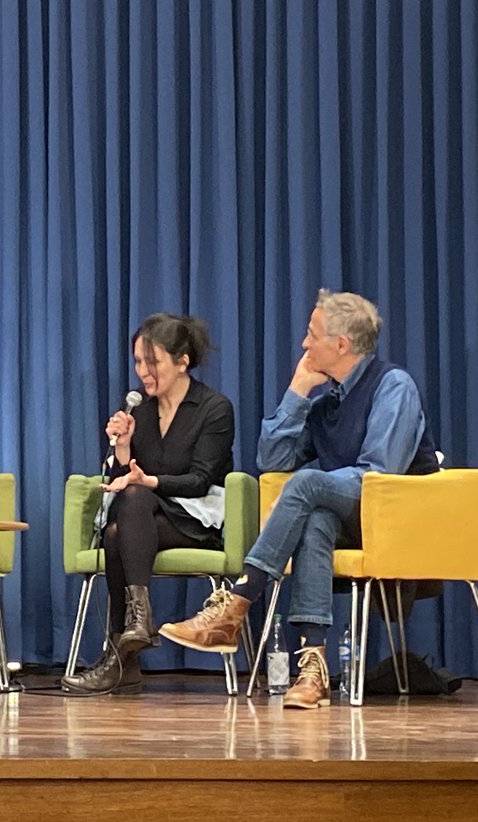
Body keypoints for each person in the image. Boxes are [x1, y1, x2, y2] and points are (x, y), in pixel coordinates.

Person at [160, 290, 439, 709]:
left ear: (340, 345)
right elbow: (270, 460)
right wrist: (296, 390)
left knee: (309, 484)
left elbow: (380, 472)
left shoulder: (393, 386)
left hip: (400, 519)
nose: (305, 344)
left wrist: (309, 486)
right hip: (350, 516)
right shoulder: (328, 403)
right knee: (315, 519)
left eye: (312, 335)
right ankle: (313, 668)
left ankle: (237, 601)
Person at [60, 314, 235, 695]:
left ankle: (119, 656)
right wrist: (122, 450)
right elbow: (124, 480)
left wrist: (146, 481)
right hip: (148, 519)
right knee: (120, 524)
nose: (143, 371)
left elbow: (200, 480)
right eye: (138, 362)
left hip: (196, 520)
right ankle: (135, 629)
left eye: (151, 361)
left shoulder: (213, 409)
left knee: (122, 523)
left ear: (182, 360)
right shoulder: (140, 410)